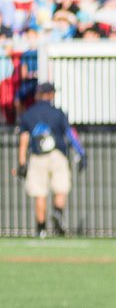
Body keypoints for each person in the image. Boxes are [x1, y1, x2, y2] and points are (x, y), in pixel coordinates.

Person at [16, 80, 74, 237]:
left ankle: (41, 229)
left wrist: (22, 163)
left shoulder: (29, 114)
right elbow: (70, 134)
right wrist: (81, 153)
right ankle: (57, 213)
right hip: (57, 155)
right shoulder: (58, 113)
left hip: (37, 157)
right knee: (60, 188)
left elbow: (24, 140)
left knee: (40, 193)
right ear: (49, 95)